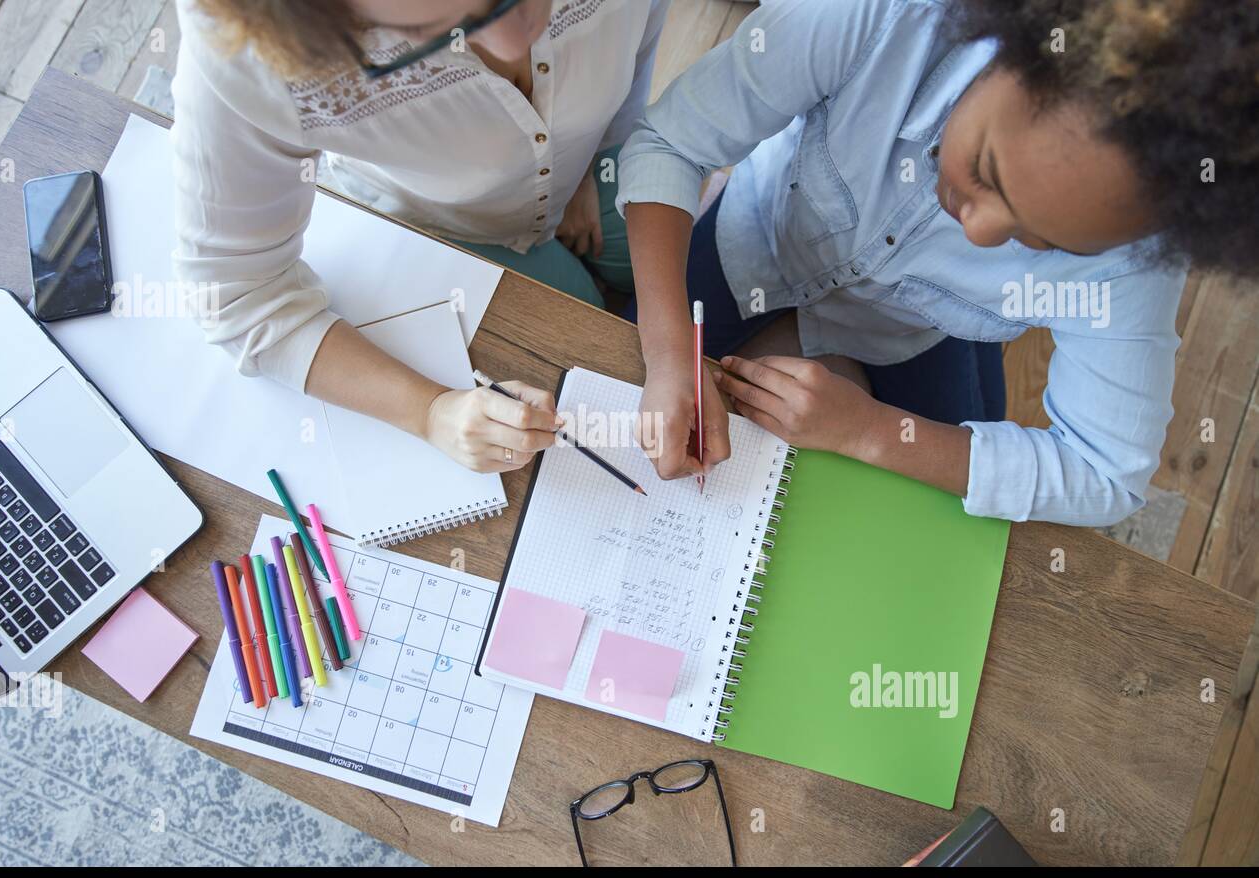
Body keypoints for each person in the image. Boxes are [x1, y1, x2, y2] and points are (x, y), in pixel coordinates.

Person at [619, 0, 1258, 525]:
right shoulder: (879, 15)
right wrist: (673, 355)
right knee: (620, 379)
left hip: (915, 329)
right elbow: (670, 143)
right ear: (1010, 43)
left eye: (1045, 242)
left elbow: (1104, 474)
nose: (980, 234)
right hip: (755, 240)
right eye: (986, 171)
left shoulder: (1138, 256)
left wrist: (870, 432)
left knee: (926, 516)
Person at [172, 0, 669, 473]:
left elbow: (637, 43)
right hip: (446, 222)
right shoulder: (247, 49)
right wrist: (430, 412)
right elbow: (239, 297)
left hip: (595, 163)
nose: (519, 38)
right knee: (581, 330)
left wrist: (593, 154)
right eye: (422, 34)